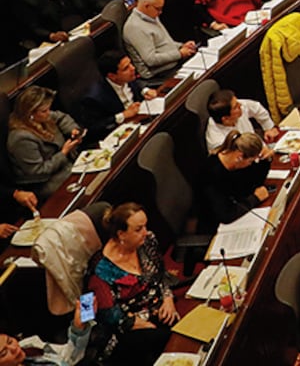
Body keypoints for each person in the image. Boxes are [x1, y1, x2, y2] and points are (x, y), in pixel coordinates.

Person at [84, 204, 176, 366]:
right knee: (168, 340)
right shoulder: (100, 270)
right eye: (138, 229)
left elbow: (162, 275)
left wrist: (168, 299)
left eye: (145, 226)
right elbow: (107, 316)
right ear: (121, 234)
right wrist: (141, 324)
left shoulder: (148, 241)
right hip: (125, 329)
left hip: (157, 309)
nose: (145, 232)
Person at [6, 86, 83, 199]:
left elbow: (61, 118)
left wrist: (72, 130)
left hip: (66, 166)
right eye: (44, 111)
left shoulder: (41, 117)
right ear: (30, 113)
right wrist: (63, 153)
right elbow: (38, 171)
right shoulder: (21, 139)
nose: (48, 113)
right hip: (46, 182)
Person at [199, 130, 271, 225]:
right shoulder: (210, 174)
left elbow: (254, 182)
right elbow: (226, 214)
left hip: (238, 207)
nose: (251, 165)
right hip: (214, 223)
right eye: (250, 161)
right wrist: (255, 198)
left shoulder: (236, 162)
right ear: (240, 156)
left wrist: (265, 160)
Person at [124, 0, 197, 80]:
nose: (160, 12)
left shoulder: (151, 16)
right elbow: (151, 60)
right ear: (146, 6)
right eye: (158, 9)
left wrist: (181, 46)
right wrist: (179, 54)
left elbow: (164, 43)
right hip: (161, 73)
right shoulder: (135, 27)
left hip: (174, 63)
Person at [81, 52, 156, 138]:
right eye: (126, 68)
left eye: (130, 63)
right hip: (122, 134)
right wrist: (123, 115)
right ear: (112, 76)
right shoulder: (94, 98)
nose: (133, 68)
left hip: (141, 120)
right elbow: (94, 127)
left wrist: (145, 91)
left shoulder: (128, 77)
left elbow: (136, 83)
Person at [203, 88, 278, 154]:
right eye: (236, 107)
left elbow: (256, 108)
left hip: (262, 148)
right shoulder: (218, 141)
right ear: (226, 118)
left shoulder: (236, 106)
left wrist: (268, 128)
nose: (241, 105)